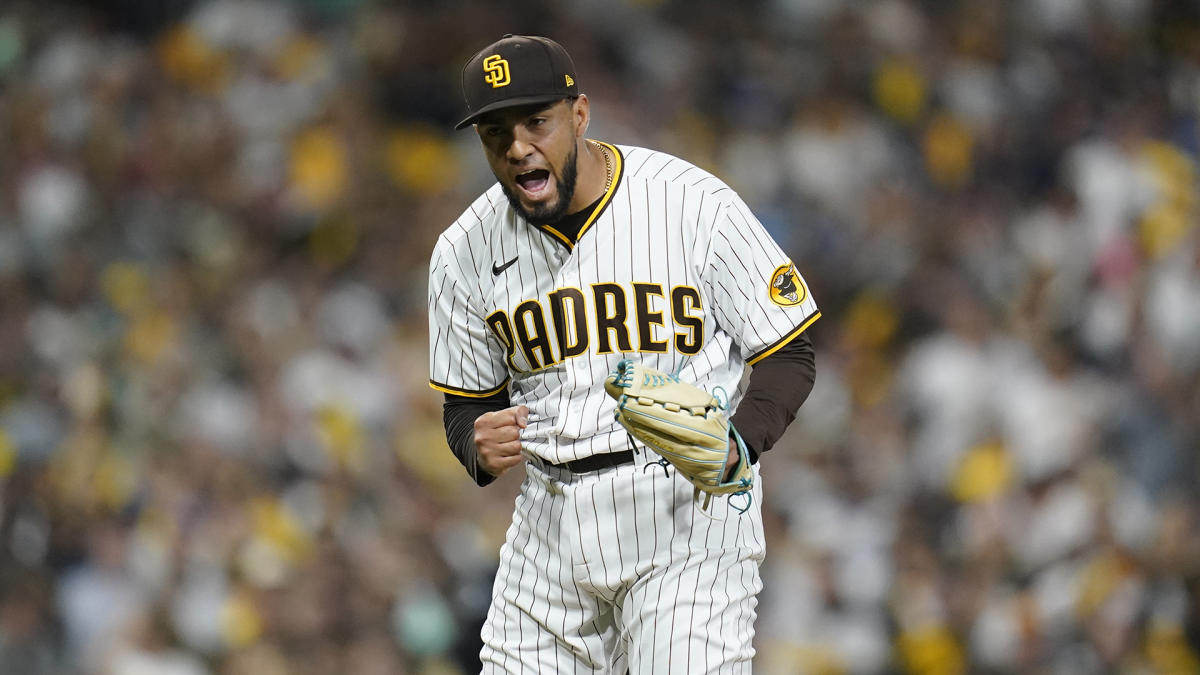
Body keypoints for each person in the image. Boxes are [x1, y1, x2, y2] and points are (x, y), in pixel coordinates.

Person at [428, 34, 820, 674]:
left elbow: (788, 352)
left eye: (536, 121)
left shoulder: (692, 203)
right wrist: (473, 443)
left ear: (579, 114)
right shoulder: (462, 252)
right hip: (549, 522)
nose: (518, 146)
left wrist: (739, 444)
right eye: (495, 132)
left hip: (683, 508)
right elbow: (465, 407)